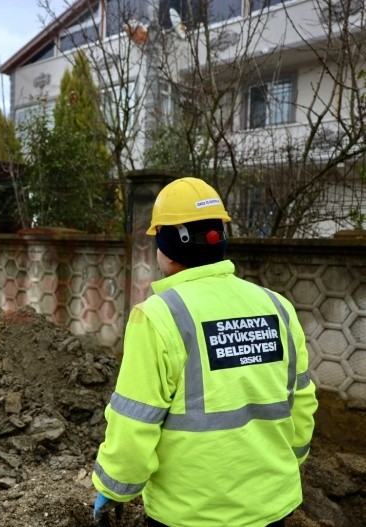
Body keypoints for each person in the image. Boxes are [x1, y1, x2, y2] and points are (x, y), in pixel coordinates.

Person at [91, 177, 318, 527]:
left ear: (168, 246)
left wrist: (114, 486)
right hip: (272, 505)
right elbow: (300, 403)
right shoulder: (278, 307)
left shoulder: (157, 316)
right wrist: (287, 463)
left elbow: (135, 421)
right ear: (219, 239)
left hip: (190, 514)